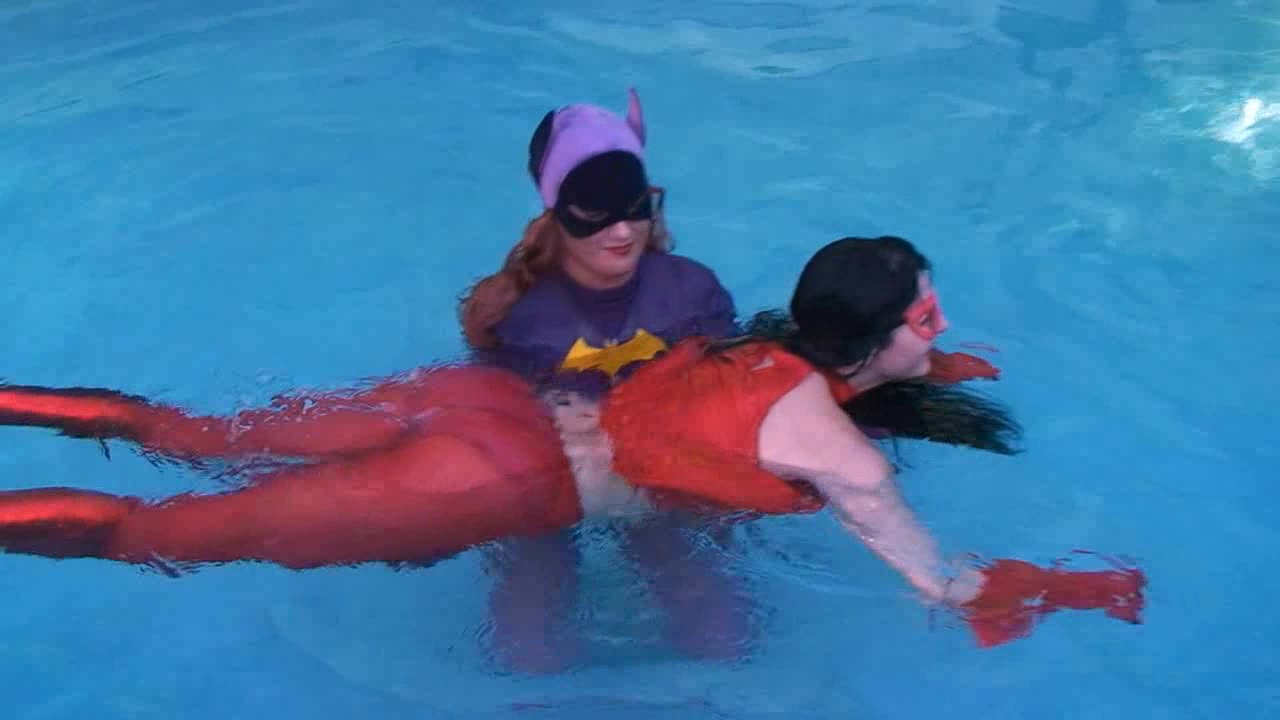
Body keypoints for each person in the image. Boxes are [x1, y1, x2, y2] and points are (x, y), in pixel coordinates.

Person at [0, 235, 1143, 650]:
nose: (940, 328)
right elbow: (948, 590)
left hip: (478, 405)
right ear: (871, 337)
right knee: (153, 534)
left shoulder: (755, 343)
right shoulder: (841, 461)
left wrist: (931, 364)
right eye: (927, 316)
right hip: (501, 478)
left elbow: (843, 367)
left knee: (188, 434)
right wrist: (1074, 589)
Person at [457, 88, 752, 671]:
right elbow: (489, 419)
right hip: (553, 476)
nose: (621, 232)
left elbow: (732, 390)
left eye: (635, 207)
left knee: (720, 633)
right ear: (556, 215)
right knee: (528, 636)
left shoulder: (691, 293)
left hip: (657, 470)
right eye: (596, 212)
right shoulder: (516, 316)